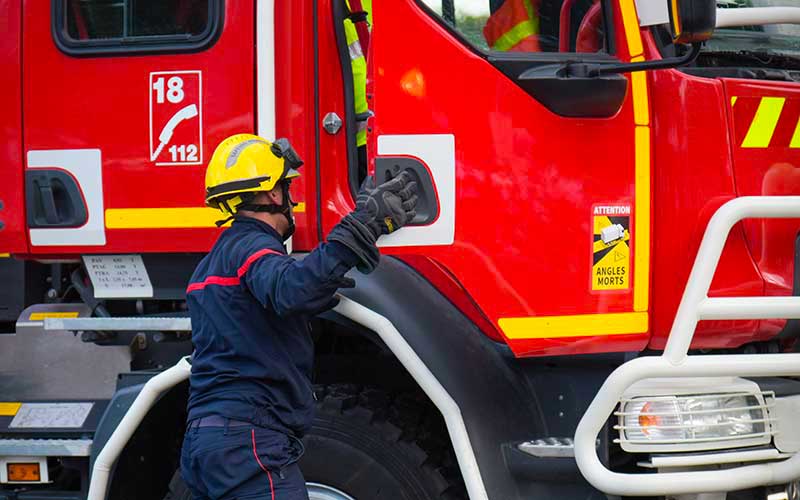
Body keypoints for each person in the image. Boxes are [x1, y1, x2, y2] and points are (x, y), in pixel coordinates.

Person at [180, 133, 418, 500]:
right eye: (286, 187)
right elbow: (292, 290)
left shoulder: (207, 268)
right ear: (273, 194)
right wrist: (362, 227)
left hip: (202, 443)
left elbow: (253, 319)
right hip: (248, 444)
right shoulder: (253, 248)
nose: (290, 198)